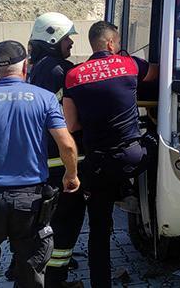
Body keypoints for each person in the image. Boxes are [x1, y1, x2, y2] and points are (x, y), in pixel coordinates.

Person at [0, 40, 80, 288]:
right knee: (30, 269)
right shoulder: (44, 99)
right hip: (29, 201)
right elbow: (66, 144)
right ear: (26, 67)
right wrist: (71, 174)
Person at [62, 21, 158, 287]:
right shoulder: (128, 64)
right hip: (134, 157)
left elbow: (71, 126)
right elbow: (156, 74)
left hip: (98, 165)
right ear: (111, 44)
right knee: (158, 144)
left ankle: (100, 283)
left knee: (100, 231)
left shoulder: (73, 76)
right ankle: (139, 198)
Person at [27, 12, 86, 288]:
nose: (71, 43)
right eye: (66, 38)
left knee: (49, 221)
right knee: (67, 219)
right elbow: (67, 119)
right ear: (53, 38)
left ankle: (46, 270)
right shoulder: (57, 71)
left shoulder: (39, 66)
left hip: (46, 159)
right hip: (59, 162)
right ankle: (56, 279)